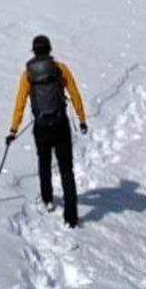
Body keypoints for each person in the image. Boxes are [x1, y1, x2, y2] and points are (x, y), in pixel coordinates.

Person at [7, 34, 87, 227]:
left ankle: (47, 200)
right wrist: (82, 118)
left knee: (44, 162)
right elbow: (74, 93)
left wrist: (13, 129)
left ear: (34, 51)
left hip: (41, 126)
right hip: (61, 124)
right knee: (66, 169)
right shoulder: (60, 69)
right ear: (49, 49)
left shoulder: (28, 74)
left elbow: (20, 102)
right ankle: (71, 217)